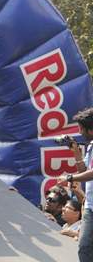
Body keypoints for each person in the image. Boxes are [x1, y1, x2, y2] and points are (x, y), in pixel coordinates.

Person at [57, 107, 93, 261]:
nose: (79, 132)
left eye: (81, 129)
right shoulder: (91, 146)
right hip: (91, 208)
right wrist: (76, 153)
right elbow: (84, 170)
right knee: (84, 248)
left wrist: (70, 178)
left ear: (90, 129)